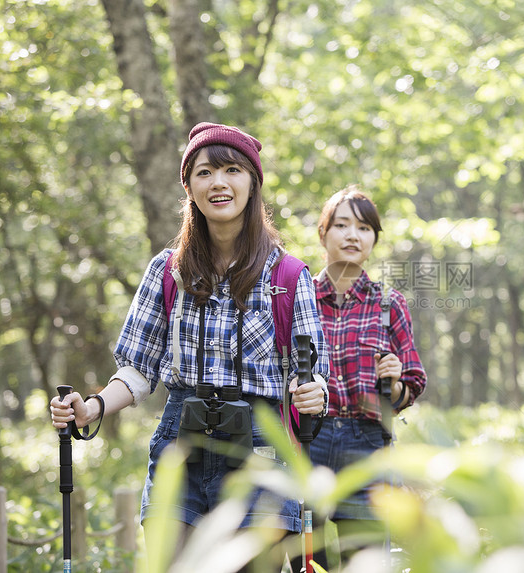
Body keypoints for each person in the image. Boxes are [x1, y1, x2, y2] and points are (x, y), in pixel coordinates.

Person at [49, 122, 329, 571]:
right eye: (204, 172)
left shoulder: (289, 277)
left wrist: (315, 393)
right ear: (189, 187)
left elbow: (313, 376)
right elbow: (138, 370)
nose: (218, 182)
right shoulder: (167, 270)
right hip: (181, 441)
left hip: (260, 449)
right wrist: (93, 408)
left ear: (252, 182)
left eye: (232, 170)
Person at [298, 185, 426, 570]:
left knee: (366, 560)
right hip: (308, 443)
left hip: (367, 446)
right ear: (323, 233)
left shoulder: (389, 303)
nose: (353, 235)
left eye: (364, 228)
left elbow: (413, 383)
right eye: (341, 225)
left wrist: (396, 380)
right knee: (307, 559)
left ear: (373, 238)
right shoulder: (298, 295)